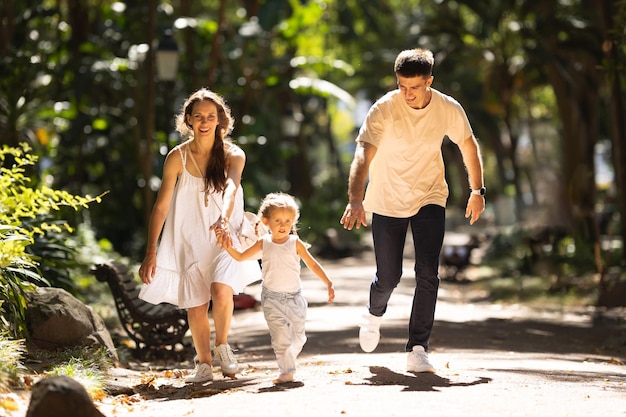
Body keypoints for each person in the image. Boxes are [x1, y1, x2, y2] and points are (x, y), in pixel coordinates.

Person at [340, 48, 485, 373]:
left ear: (429, 82)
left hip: (429, 195)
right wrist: (355, 198)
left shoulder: (447, 108)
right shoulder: (384, 109)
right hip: (387, 198)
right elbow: (362, 155)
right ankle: (373, 314)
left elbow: (468, 144)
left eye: (414, 87)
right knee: (389, 277)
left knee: (428, 273)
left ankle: (418, 348)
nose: (407, 93)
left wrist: (477, 190)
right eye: (402, 86)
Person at [138, 88, 262, 383]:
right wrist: (151, 251)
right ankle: (204, 364)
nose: (204, 122)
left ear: (220, 120)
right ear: (189, 121)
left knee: (221, 292)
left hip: (223, 236)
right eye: (198, 117)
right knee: (195, 304)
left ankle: (223, 346)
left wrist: (223, 218)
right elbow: (161, 207)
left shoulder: (234, 154)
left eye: (210, 116)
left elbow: (231, 188)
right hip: (188, 238)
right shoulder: (176, 158)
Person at [218, 192, 335, 384]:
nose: (283, 225)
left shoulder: (294, 243)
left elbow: (312, 264)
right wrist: (226, 245)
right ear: (266, 221)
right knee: (280, 339)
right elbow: (240, 257)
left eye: (288, 221)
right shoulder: (263, 243)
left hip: (295, 298)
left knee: (298, 338)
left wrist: (328, 282)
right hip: (271, 299)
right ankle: (286, 370)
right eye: (278, 220)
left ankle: (288, 356)